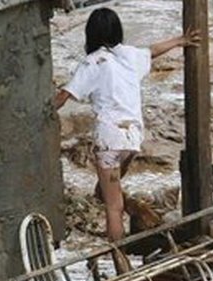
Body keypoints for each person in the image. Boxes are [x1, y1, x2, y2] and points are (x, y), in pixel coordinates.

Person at [55, 7, 200, 241]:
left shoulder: (94, 62)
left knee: (114, 206)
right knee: (107, 191)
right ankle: (114, 199)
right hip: (132, 138)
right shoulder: (130, 55)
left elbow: (64, 95)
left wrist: (39, 115)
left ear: (90, 34)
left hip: (110, 138)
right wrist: (180, 40)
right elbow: (152, 51)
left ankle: (120, 263)